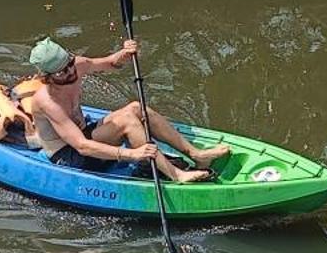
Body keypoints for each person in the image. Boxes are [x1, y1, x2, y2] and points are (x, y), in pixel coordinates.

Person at [20, 37, 229, 184]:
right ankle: (175, 174)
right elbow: (82, 146)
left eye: (70, 63)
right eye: (61, 72)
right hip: (70, 155)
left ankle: (196, 154)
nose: (70, 72)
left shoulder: (77, 66)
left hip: (86, 134)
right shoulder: (47, 102)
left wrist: (124, 53)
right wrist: (132, 154)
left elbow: (110, 63)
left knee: (136, 108)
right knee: (127, 121)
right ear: (47, 77)